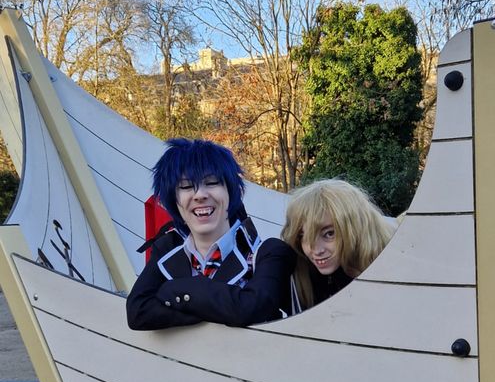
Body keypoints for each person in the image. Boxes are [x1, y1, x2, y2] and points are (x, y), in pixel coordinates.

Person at [126, 138, 295, 329]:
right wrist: (215, 309)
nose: (200, 195)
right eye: (186, 186)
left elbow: (251, 308)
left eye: (212, 182)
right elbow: (138, 313)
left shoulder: (269, 253)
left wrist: (177, 290)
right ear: (173, 200)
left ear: (231, 191)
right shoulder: (166, 249)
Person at [281, 178, 398, 313]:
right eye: (303, 236)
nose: (316, 250)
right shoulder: (304, 272)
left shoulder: (395, 266)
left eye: (329, 234)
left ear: (355, 228)